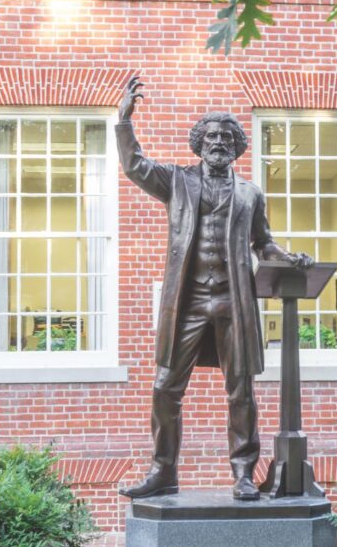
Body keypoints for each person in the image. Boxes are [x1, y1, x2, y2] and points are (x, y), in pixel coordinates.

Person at [116, 76, 312, 500]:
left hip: (233, 301)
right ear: (199, 142)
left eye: (227, 136)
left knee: (241, 390)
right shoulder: (177, 181)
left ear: (238, 145)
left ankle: (243, 472)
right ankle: (162, 470)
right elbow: (136, 167)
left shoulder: (249, 193)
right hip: (186, 302)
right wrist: (123, 122)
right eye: (211, 135)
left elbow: (263, 242)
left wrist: (287, 257)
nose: (219, 141)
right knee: (165, 386)